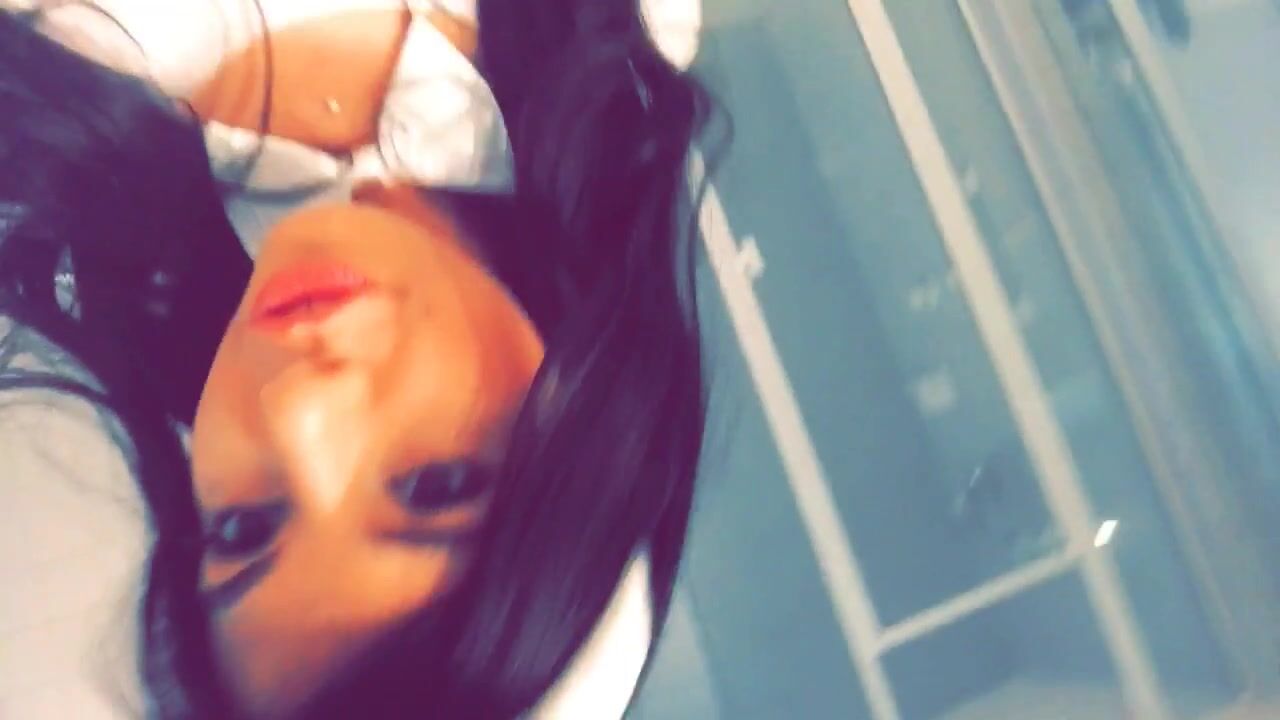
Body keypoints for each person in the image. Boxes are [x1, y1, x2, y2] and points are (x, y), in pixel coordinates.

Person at [0, 0, 716, 716]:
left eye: (244, 530)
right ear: (579, 426)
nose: (296, 411)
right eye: (435, 486)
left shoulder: (51, 160)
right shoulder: (628, 38)